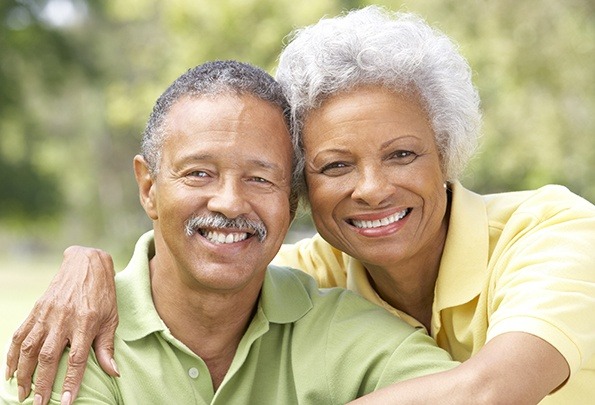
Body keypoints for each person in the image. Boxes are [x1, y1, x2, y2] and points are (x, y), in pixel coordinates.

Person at [6, 6, 595, 404]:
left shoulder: (552, 232)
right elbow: (204, 260)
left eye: (401, 155)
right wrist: (89, 265)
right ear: (302, 190)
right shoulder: (310, 274)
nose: (370, 188)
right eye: (336, 165)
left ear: (448, 154)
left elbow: (490, 391)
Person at [1, 60, 460, 405]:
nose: (229, 202)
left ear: (290, 202)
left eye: (260, 178)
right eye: (199, 173)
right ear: (148, 188)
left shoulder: (348, 332)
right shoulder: (74, 334)